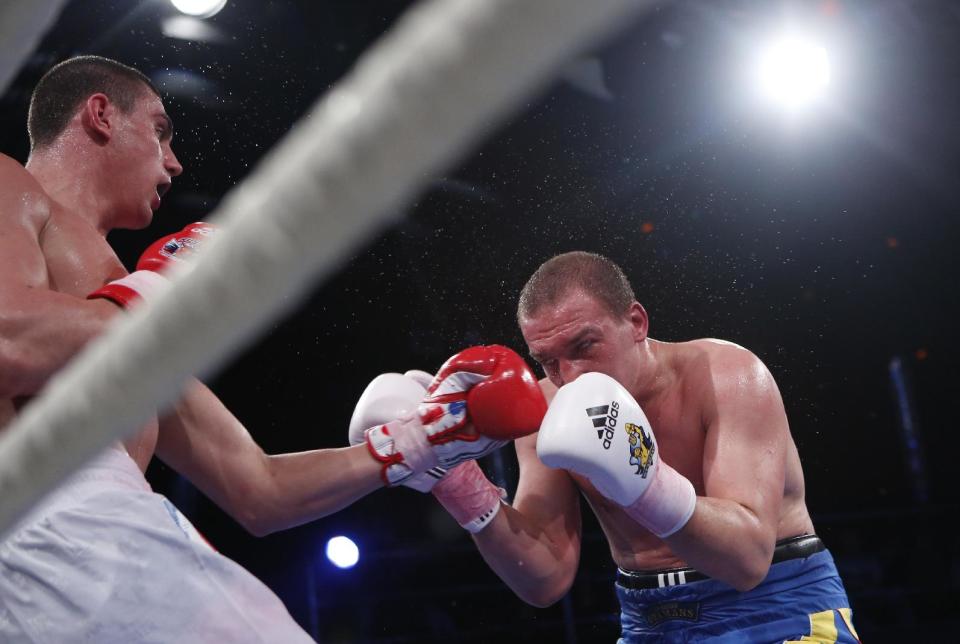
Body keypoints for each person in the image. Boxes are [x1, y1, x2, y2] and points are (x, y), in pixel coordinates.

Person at [0, 55, 543, 642]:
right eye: (159, 131)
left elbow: (258, 489)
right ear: (101, 115)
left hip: (101, 544)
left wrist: (430, 434)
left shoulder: (121, 310)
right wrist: (162, 297)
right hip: (47, 528)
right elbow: (9, 340)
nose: (175, 163)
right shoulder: (10, 183)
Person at [419, 251, 861, 643]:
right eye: (547, 360)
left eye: (584, 345)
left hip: (777, 609)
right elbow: (544, 580)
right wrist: (454, 479)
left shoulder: (727, 374)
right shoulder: (546, 411)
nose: (569, 375)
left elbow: (747, 563)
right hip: (648, 622)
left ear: (635, 322)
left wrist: (641, 476)